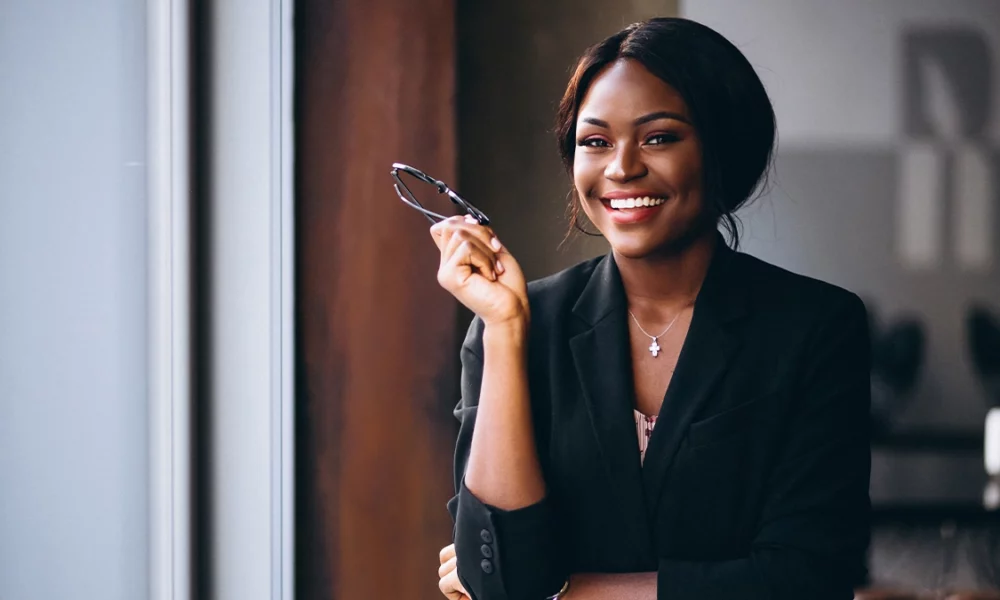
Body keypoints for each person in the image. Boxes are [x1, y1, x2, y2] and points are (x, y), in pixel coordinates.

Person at [433, 17, 870, 600]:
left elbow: (808, 578)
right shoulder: (514, 327)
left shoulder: (815, 327)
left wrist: (566, 592)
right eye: (595, 142)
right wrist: (506, 332)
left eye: (658, 137)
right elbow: (496, 576)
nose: (621, 167)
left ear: (723, 148)